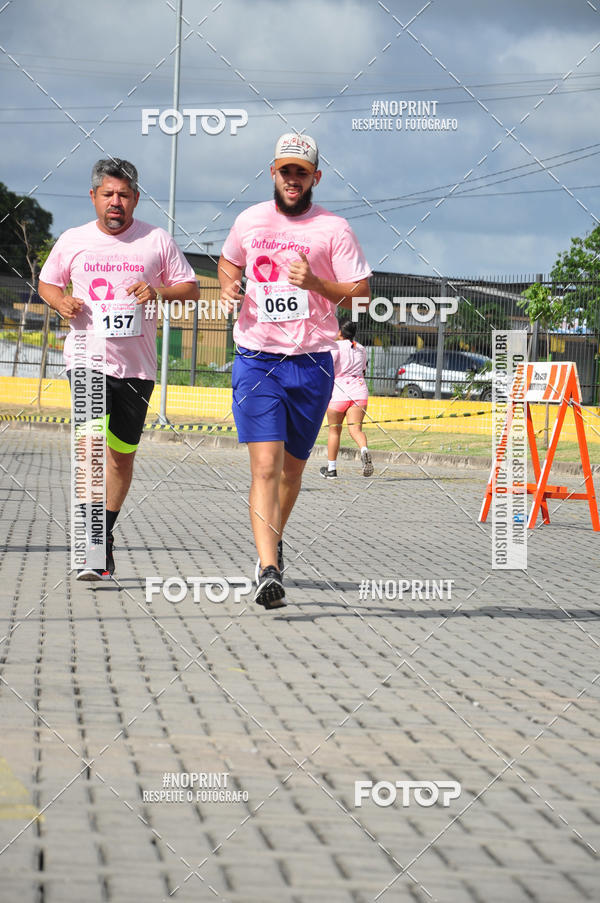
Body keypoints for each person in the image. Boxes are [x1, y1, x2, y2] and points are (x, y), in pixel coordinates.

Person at [218, 133, 371, 610]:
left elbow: (362, 294)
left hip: (311, 364)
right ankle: (268, 569)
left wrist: (316, 282)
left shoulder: (334, 229)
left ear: (315, 178)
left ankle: (273, 539)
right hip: (257, 359)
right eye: (285, 170)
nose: (292, 179)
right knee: (264, 467)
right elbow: (227, 262)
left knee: (291, 471)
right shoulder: (249, 220)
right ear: (273, 173)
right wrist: (228, 287)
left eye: (301, 172)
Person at [38, 158, 199, 581]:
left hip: (137, 368)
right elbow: (47, 282)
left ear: (136, 199)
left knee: (120, 457)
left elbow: (191, 288)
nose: (116, 202)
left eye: (124, 195)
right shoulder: (73, 240)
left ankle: (103, 533)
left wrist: (158, 290)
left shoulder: (156, 241)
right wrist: (59, 302)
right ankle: (91, 550)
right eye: (108, 194)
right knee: (90, 451)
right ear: (93, 197)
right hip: (86, 360)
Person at [320, 320, 373, 479]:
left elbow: (327, 370)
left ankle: (332, 469)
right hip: (359, 392)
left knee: (334, 430)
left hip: (339, 393)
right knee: (356, 430)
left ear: (339, 332)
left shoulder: (334, 347)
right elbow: (363, 370)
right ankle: (364, 450)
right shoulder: (362, 348)